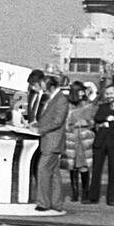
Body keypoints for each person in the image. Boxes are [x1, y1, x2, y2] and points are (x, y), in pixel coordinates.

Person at [34, 75, 70, 214]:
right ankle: (56, 203)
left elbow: (57, 121)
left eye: (45, 88)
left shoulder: (60, 100)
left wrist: (40, 130)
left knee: (42, 170)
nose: (44, 91)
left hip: (52, 141)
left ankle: (43, 202)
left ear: (52, 87)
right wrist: (36, 124)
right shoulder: (54, 98)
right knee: (54, 173)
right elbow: (49, 118)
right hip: (50, 140)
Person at [88, 83, 114, 205]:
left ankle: (110, 198)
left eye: (111, 93)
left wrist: (107, 123)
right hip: (101, 141)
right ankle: (93, 197)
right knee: (96, 170)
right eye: (107, 93)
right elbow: (97, 118)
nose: (109, 96)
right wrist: (109, 118)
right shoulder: (103, 106)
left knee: (113, 171)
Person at [61, 82, 95, 204]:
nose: (82, 93)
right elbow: (64, 121)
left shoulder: (87, 104)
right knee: (72, 166)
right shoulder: (67, 104)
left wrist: (86, 123)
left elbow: (93, 121)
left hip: (84, 136)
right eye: (80, 91)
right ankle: (75, 193)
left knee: (84, 166)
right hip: (71, 137)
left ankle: (85, 193)